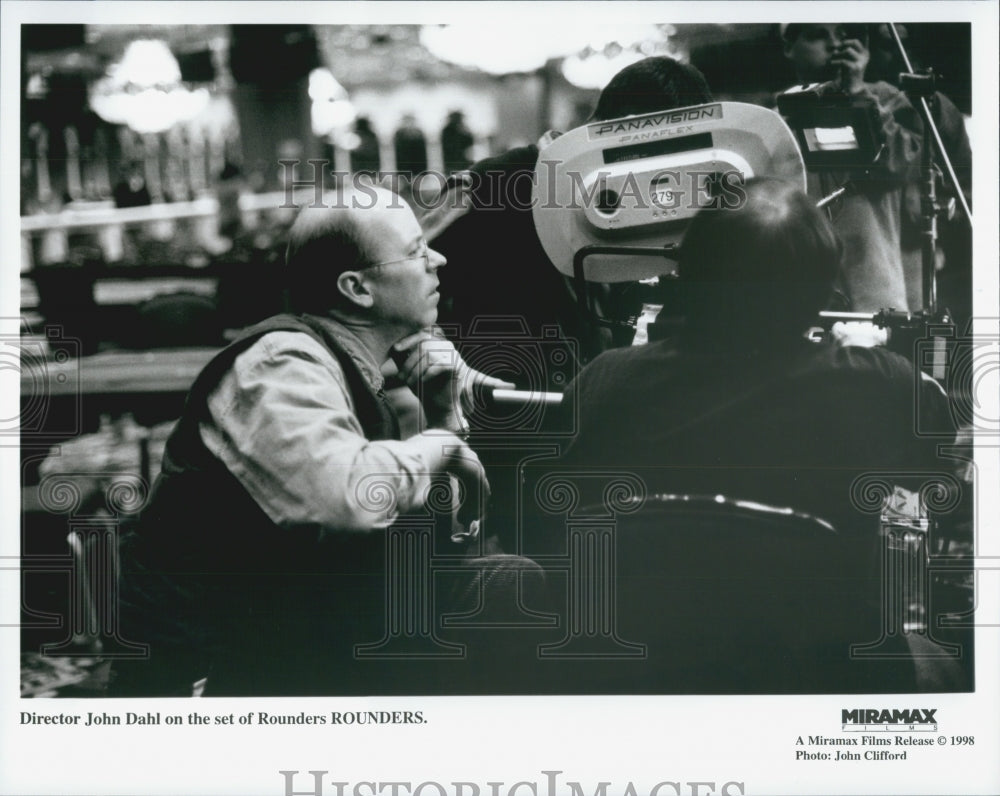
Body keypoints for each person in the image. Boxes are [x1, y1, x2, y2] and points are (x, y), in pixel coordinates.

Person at [112, 186, 539, 696]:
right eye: (415, 251)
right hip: (205, 675)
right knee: (501, 592)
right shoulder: (278, 366)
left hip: (291, 635)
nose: (439, 259)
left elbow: (430, 547)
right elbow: (348, 496)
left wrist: (444, 408)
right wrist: (441, 445)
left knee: (497, 588)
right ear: (357, 289)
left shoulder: (345, 358)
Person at [550, 177, 962, 692]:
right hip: (823, 667)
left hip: (645, 663)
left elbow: (555, 518)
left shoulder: (603, 381)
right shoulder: (883, 383)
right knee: (945, 662)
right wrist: (868, 358)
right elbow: (939, 491)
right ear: (824, 285)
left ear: (686, 273)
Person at [429, 56, 715, 378]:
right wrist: (448, 374)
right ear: (627, 127)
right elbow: (398, 285)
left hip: (593, 402)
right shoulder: (487, 184)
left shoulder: (636, 194)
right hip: (503, 406)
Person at [780, 23, 923, 313]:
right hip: (804, 300)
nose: (834, 45)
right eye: (817, 34)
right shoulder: (775, 120)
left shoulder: (885, 100)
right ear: (788, 46)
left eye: (844, 34)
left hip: (874, 294)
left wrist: (857, 92)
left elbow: (900, 165)